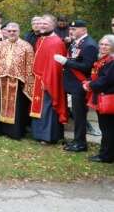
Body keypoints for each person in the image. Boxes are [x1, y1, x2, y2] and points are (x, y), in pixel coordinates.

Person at [54, 19, 98, 152]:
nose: (71, 31)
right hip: (72, 84)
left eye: (74, 29)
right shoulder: (76, 42)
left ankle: (81, 143)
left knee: (79, 115)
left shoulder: (89, 45)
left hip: (80, 84)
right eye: (70, 29)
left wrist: (66, 62)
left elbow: (86, 66)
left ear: (84, 30)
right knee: (76, 114)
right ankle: (76, 140)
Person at [0, 22, 34, 139]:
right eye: (10, 31)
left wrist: (28, 81)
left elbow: (30, 65)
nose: (12, 33)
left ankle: (14, 132)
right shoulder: (0, 45)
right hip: (1, 80)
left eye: (14, 31)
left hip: (18, 82)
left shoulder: (26, 46)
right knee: (1, 105)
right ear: (6, 32)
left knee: (17, 107)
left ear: (19, 31)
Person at [30, 14, 68, 144]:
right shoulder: (41, 39)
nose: (42, 26)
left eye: (45, 24)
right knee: (39, 108)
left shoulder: (56, 42)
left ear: (53, 25)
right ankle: (38, 134)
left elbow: (55, 67)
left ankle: (48, 136)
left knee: (48, 108)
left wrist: (47, 82)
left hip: (48, 81)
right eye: (40, 23)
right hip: (38, 79)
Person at [83, 35, 114, 163]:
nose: (103, 47)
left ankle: (105, 156)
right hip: (104, 96)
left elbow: (105, 80)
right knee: (107, 128)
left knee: (107, 129)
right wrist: (89, 81)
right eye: (101, 44)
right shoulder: (104, 60)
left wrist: (89, 85)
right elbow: (98, 76)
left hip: (107, 97)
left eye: (106, 45)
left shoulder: (111, 61)